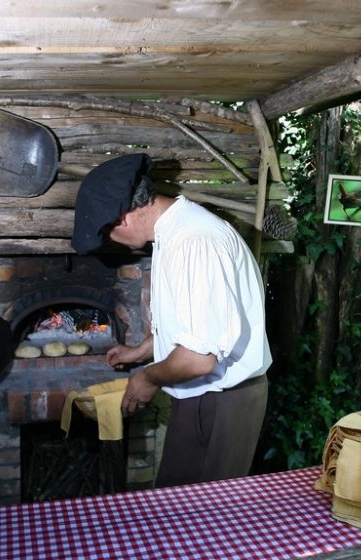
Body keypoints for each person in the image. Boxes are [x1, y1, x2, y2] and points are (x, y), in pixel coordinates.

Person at [71, 153, 272, 487]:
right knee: (174, 504)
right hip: (200, 394)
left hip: (224, 401)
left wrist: (147, 379)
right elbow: (193, 329)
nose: (110, 242)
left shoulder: (195, 241)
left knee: (208, 520)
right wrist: (139, 352)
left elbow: (198, 358)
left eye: (106, 234)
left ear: (122, 219)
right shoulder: (173, 234)